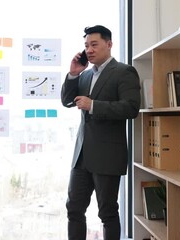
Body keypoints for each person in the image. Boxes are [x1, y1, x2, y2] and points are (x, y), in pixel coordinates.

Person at [61, 25, 141, 240]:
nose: (89, 50)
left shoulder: (124, 72)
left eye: (94, 44)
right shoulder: (85, 76)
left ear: (109, 44)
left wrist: (94, 105)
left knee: (107, 212)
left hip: (107, 155)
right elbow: (67, 101)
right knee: (74, 209)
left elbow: (131, 108)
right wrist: (73, 74)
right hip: (82, 156)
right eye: (87, 46)